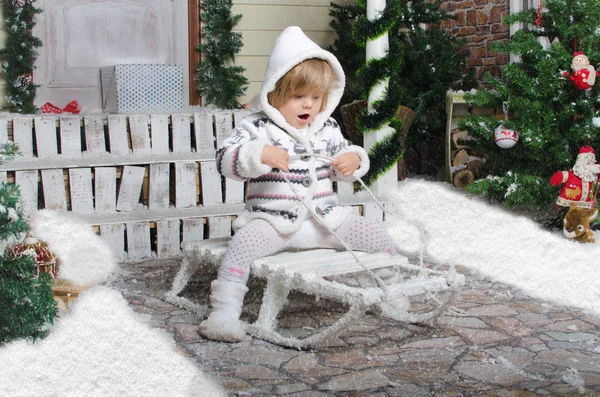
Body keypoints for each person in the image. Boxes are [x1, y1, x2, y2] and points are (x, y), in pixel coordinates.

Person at [198, 26, 402, 342]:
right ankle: (223, 314)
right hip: (272, 223)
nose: (308, 105)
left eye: (316, 97)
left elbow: (342, 160)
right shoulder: (257, 127)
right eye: (298, 97)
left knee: (375, 233)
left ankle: (392, 291)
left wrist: (353, 161)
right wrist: (259, 154)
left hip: (325, 222)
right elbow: (225, 158)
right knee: (241, 246)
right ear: (275, 92)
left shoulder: (327, 128)